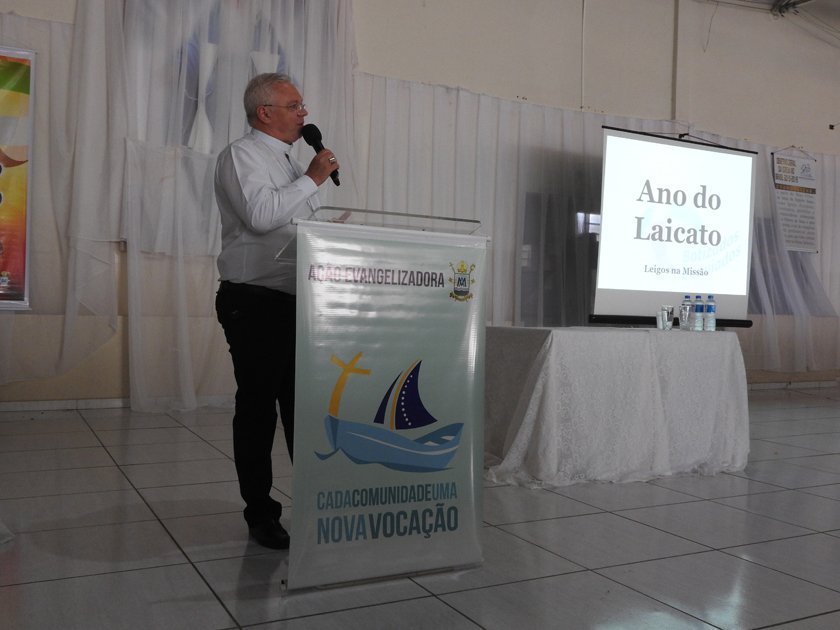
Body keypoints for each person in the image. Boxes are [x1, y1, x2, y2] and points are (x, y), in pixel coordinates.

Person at [214, 73, 339, 549]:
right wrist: (312, 178)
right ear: (264, 112)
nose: (304, 113)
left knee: (303, 409)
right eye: (294, 105)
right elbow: (262, 216)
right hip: (254, 300)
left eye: (302, 105)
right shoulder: (242, 155)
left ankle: (313, 502)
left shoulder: (288, 162)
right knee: (258, 409)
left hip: (298, 298)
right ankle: (260, 512)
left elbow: (293, 224)